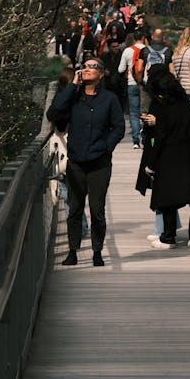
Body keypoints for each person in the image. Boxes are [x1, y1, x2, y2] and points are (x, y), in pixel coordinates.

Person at [46, 56, 125, 266]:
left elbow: (118, 127)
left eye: (93, 67)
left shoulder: (109, 99)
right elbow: (53, 113)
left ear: (101, 74)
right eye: (85, 66)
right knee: (75, 209)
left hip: (99, 162)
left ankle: (97, 251)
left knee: (97, 211)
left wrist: (106, 147)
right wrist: (73, 85)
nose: (88, 70)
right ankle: (73, 251)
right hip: (76, 162)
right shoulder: (73, 96)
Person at [135, 68, 190, 248]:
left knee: (167, 198)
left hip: (168, 157)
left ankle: (168, 237)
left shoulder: (161, 106)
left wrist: (150, 165)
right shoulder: (188, 103)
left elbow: (160, 137)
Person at [118, 30, 147, 147]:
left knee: (134, 113)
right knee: (145, 111)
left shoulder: (127, 51)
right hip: (145, 85)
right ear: (144, 38)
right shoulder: (148, 50)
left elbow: (120, 69)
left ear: (134, 39)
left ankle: (135, 141)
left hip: (131, 83)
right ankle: (145, 135)